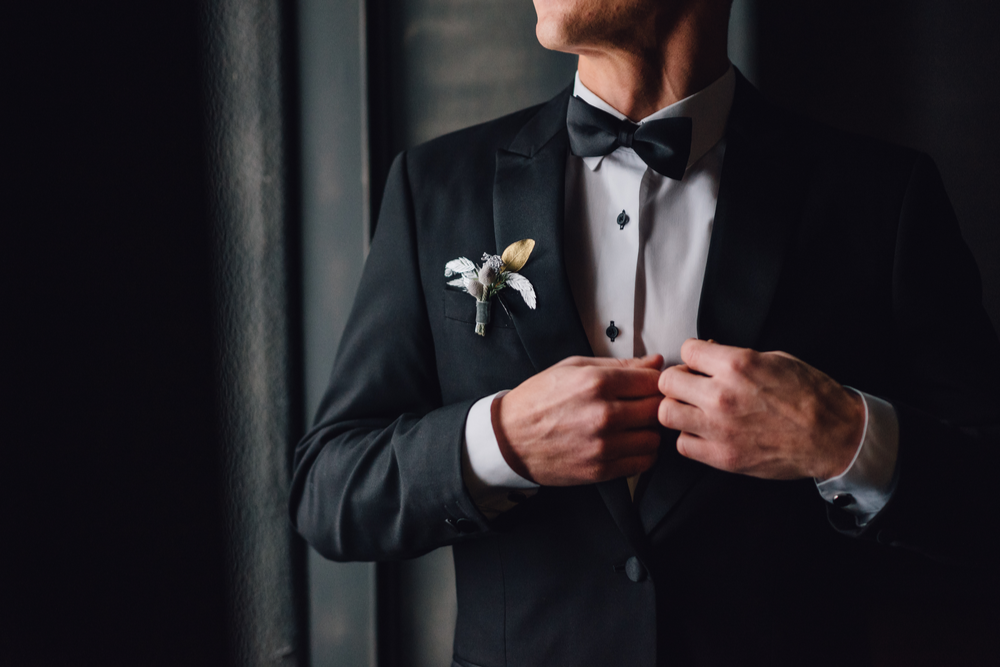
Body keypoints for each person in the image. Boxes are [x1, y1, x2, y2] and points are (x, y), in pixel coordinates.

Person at [291, 0, 1000, 663]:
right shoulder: (436, 185)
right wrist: (500, 440)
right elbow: (330, 491)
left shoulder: (879, 195)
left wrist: (844, 438)